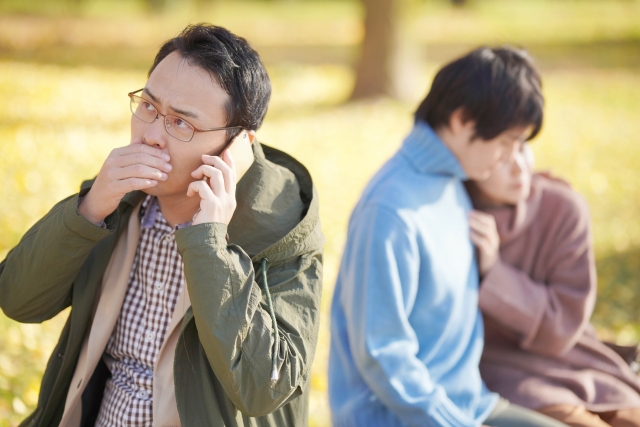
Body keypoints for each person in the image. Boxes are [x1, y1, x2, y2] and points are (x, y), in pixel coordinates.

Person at [0, 24, 324, 427]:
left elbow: (265, 389)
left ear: (238, 145)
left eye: (181, 123)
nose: (151, 135)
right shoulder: (114, 204)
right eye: (149, 107)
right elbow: (18, 300)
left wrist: (209, 245)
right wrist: (89, 209)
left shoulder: (282, 233)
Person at [329, 47, 567, 426]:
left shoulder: (452, 179)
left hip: (469, 405)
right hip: (401, 418)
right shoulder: (390, 210)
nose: (510, 158)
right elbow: (382, 353)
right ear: (461, 120)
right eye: (506, 141)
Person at [466, 144, 640, 427]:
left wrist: (495, 275)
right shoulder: (454, 217)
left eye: (522, 146)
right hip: (509, 378)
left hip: (579, 360)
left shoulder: (561, 207)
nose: (519, 166)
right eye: (503, 156)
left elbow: (564, 326)